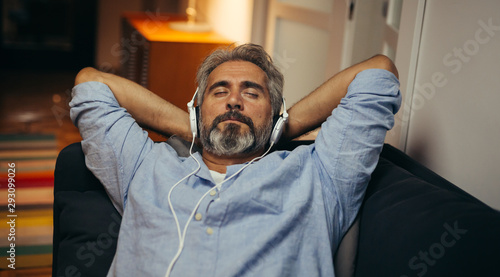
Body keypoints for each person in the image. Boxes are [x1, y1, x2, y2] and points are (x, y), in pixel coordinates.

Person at [70, 43, 400, 276]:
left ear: (274, 112)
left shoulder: (319, 174)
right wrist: (193, 126)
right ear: (197, 107)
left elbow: (378, 71)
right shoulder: (143, 167)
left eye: (252, 93)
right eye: (219, 91)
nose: (234, 102)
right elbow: (90, 83)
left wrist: (282, 126)